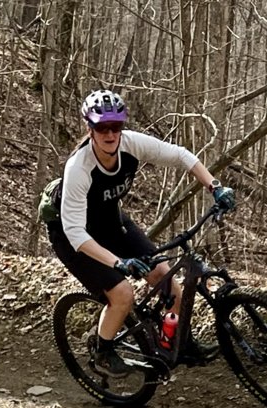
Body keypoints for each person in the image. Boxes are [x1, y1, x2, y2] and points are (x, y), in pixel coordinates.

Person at [43, 89, 236, 378]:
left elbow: (181, 156)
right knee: (122, 293)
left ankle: (176, 343)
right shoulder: (79, 168)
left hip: (110, 222)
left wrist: (214, 186)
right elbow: (75, 232)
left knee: (168, 282)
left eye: (116, 127)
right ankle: (103, 350)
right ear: (90, 129)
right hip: (73, 237)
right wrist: (119, 263)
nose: (110, 134)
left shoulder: (131, 145)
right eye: (102, 128)